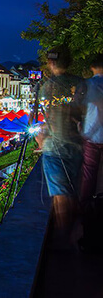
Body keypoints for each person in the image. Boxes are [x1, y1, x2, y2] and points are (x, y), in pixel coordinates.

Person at [36, 47, 83, 240]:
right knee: (70, 191)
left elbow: (52, 119)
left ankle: (64, 237)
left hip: (56, 148)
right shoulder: (81, 84)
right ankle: (69, 232)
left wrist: (42, 137)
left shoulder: (49, 87)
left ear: (50, 63)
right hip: (77, 146)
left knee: (61, 193)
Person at [78, 53, 103, 202]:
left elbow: (95, 111)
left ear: (92, 67)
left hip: (93, 137)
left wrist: (85, 132)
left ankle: (85, 208)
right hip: (93, 135)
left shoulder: (90, 85)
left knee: (89, 174)